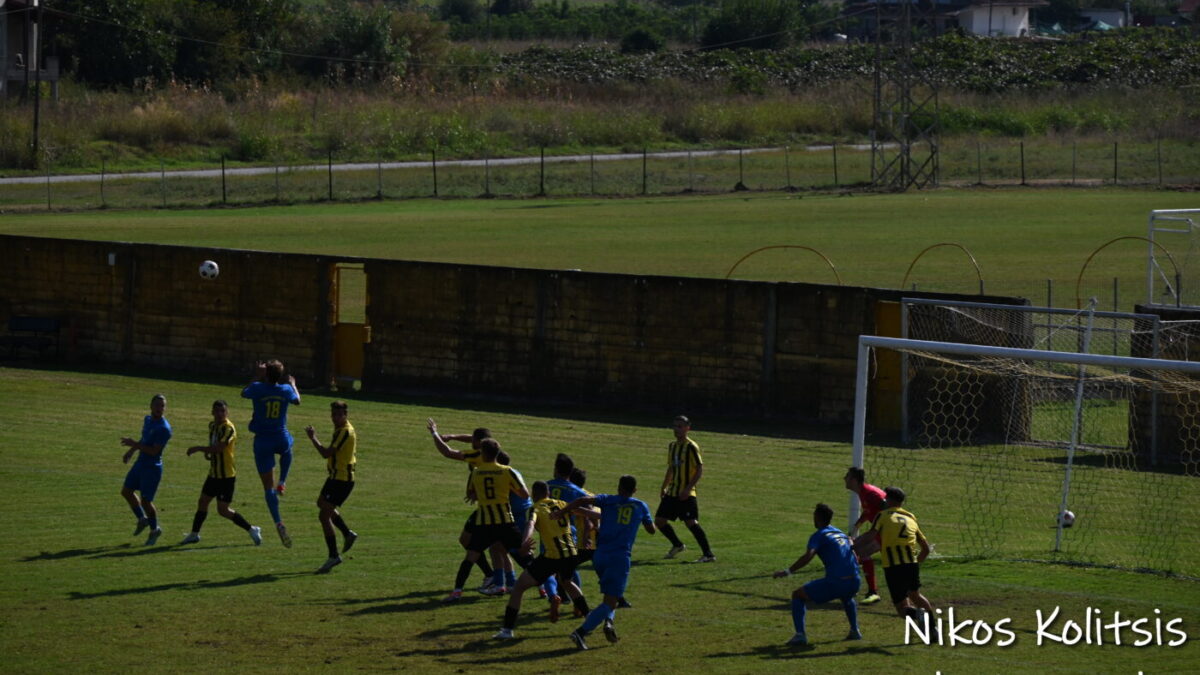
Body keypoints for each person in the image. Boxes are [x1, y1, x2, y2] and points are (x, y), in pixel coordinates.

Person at [553, 474, 656, 650]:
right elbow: (651, 530)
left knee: (611, 596)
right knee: (611, 599)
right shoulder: (640, 506)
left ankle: (608, 622)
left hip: (599, 556)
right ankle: (581, 632)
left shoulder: (607, 500)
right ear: (635, 490)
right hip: (619, 557)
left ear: (618, 487)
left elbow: (583, 499)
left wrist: (563, 512)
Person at [494, 481, 592, 639]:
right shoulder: (561, 503)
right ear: (548, 493)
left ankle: (507, 630)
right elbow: (583, 512)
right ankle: (590, 619)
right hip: (571, 554)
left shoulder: (536, 508)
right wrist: (603, 516)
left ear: (534, 494)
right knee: (567, 582)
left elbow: (530, 524)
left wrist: (525, 541)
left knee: (519, 587)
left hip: (552, 557)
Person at [442, 437, 533, 602]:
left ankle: (457, 592)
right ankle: (545, 587)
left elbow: (470, 494)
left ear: (483, 453)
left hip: (484, 522)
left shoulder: (476, 472)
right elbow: (525, 494)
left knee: (470, 557)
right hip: (505, 520)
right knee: (521, 555)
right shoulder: (507, 471)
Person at [772, 503, 863, 647]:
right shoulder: (840, 533)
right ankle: (855, 630)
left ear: (817, 517)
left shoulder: (819, 535)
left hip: (837, 582)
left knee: (798, 595)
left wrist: (788, 571)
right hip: (855, 580)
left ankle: (800, 635)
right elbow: (854, 554)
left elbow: (808, 556)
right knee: (847, 597)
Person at [427, 419, 499, 591]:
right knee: (498, 547)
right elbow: (472, 438)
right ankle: (498, 578)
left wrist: (434, 433)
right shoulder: (491, 449)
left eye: (472, 440)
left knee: (473, 543)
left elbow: (448, 452)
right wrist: (452, 435)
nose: (470, 440)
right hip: (492, 504)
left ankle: (493, 578)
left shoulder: (476, 455)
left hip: (488, 509)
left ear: (478, 443)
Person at [180, 400, 262, 546]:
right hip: (213, 474)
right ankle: (194, 534)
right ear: (212, 412)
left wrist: (199, 448)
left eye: (222, 411)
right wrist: (207, 453)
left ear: (227, 413)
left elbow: (219, 448)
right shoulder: (212, 426)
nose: (219, 414)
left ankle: (252, 529)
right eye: (216, 411)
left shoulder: (228, 428)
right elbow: (213, 446)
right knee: (203, 502)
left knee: (223, 510)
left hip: (226, 476)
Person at [241, 359, 301, 547]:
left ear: (266, 373)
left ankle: (278, 522)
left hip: (262, 441)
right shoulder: (284, 389)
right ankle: (282, 482)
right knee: (287, 449)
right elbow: (297, 400)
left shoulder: (258, 387)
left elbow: (244, 393)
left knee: (268, 487)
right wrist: (293, 384)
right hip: (279, 436)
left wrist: (257, 377)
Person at [864, 486, 934, 624]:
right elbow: (925, 549)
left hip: (892, 566)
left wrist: (853, 545)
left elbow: (871, 535)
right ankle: (932, 627)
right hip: (911, 564)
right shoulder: (910, 517)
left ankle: (918, 614)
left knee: (901, 609)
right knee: (916, 596)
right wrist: (915, 563)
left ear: (888, 500)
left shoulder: (883, 515)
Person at [305, 400, 359, 573]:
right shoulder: (341, 429)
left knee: (323, 516)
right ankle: (347, 533)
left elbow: (326, 453)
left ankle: (333, 556)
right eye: (333, 414)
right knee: (321, 503)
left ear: (345, 415)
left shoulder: (344, 432)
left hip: (342, 480)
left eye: (338, 415)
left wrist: (313, 438)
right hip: (335, 477)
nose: (335, 418)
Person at [655, 415, 715, 563]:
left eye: (680, 426)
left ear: (688, 428)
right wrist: (664, 487)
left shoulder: (691, 447)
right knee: (659, 521)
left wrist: (688, 489)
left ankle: (708, 554)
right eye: (675, 426)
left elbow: (699, 468)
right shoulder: (672, 446)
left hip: (686, 493)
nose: (676, 429)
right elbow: (671, 468)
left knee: (691, 522)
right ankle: (678, 545)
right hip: (673, 491)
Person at [120, 394, 172, 546]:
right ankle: (142, 520)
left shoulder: (164, 429)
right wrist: (131, 451)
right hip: (140, 463)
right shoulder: (148, 420)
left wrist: (133, 444)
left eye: (162, 406)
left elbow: (153, 451)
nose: (159, 408)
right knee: (126, 491)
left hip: (152, 468)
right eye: (157, 405)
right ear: (151, 406)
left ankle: (155, 529)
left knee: (146, 501)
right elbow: (144, 439)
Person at [843, 467, 886, 604]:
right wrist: (857, 525)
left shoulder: (870, 493)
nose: (844, 479)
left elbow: (887, 508)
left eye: (847, 476)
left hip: (886, 533)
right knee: (857, 550)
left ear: (854, 480)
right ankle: (868, 590)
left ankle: (865, 590)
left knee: (856, 550)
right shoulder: (864, 492)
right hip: (881, 531)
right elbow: (869, 510)